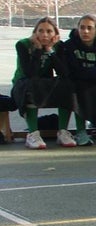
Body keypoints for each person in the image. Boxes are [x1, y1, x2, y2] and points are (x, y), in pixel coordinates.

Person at [10, 17, 75, 149]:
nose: (44, 34)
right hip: (23, 84)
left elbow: (63, 72)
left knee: (67, 84)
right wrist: (39, 49)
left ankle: (63, 132)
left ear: (55, 34)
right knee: (31, 86)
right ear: (35, 33)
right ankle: (33, 134)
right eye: (41, 31)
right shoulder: (23, 45)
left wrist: (50, 50)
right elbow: (30, 73)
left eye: (49, 31)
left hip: (44, 83)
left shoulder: (58, 46)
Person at [61, 14, 96, 145]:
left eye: (89, 28)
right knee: (79, 90)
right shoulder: (70, 45)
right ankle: (81, 132)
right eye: (82, 28)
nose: (85, 31)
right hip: (79, 82)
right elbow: (73, 71)